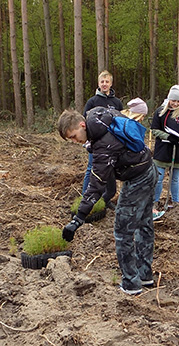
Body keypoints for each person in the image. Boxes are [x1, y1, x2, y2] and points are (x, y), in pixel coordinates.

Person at [58, 108, 157, 296]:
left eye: (73, 136)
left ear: (82, 125)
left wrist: (78, 218)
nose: (74, 141)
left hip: (138, 179)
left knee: (122, 231)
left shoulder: (103, 145)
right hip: (148, 169)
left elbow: (96, 184)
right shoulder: (100, 116)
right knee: (144, 224)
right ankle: (145, 275)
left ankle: (131, 283)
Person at [82, 70, 123, 208]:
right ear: (98, 83)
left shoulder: (117, 102)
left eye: (107, 82)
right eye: (102, 82)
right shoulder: (92, 101)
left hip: (112, 143)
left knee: (109, 170)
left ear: (111, 84)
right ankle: (85, 197)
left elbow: (121, 120)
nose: (104, 84)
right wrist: (88, 141)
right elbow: (85, 121)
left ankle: (105, 199)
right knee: (91, 168)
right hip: (95, 142)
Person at [151, 85, 179, 217]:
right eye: (173, 100)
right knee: (159, 178)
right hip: (162, 150)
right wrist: (167, 136)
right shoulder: (160, 112)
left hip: (178, 150)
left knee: (175, 178)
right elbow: (154, 129)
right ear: (169, 99)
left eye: (178, 101)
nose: (175, 104)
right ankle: (155, 202)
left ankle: (175, 202)